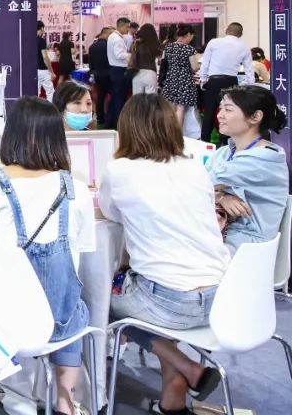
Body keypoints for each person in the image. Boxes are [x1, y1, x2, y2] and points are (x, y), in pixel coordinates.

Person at [0, 98, 95, 415]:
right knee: (74, 306)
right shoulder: (76, 190)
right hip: (56, 325)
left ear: (10, 135)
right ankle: (66, 400)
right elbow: (82, 255)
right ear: (58, 137)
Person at [100, 95, 229, 414]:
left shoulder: (120, 170)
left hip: (169, 302)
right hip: (222, 300)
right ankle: (173, 397)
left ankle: (186, 367)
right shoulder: (195, 167)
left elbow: (110, 213)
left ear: (127, 128)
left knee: (101, 302)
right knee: (149, 289)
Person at [208, 86, 289, 253]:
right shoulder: (225, 151)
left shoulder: (264, 159)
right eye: (221, 108)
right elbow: (198, 183)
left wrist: (216, 195)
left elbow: (196, 184)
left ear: (255, 117)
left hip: (246, 246)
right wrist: (222, 197)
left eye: (228, 110)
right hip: (220, 233)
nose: (220, 115)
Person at [199, 22, 254, 144]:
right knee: (228, 112)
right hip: (232, 82)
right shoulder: (244, 47)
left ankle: (204, 141)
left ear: (226, 30)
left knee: (209, 112)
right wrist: (250, 87)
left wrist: (203, 80)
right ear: (240, 34)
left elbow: (205, 63)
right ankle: (225, 142)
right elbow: (249, 70)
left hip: (214, 81)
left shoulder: (214, 42)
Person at [160, 24, 199, 131]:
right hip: (184, 81)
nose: (191, 39)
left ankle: (168, 132)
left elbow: (163, 63)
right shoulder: (189, 49)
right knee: (180, 109)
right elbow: (194, 67)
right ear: (188, 34)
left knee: (170, 109)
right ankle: (177, 134)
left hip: (170, 80)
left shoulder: (168, 47)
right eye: (192, 36)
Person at [106, 17, 131, 128]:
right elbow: (119, 54)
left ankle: (110, 122)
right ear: (121, 26)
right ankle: (118, 124)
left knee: (114, 98)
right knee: (119, 98)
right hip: (119, 71)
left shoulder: (113, 36)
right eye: (127, 27)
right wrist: (131, 56)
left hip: (114, 70)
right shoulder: (117, 38)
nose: (128, 29)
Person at [88, 27, 112, 125]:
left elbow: (91, 63)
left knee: (100, 96)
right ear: (105, 34)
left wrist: (93, 72)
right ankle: (109, 116)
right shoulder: (109, 46)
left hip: (97, 75)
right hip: (109, 74)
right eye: (110, 34)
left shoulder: (92, 47)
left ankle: (100, 118)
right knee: (112, 96)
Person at [130, 24, 161, 95]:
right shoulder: (155, 44)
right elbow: (159, 60)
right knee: (151, 99)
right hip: (151, 73)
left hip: (137, 72)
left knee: (137, 99)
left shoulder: (135, 43)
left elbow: (130, 56)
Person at [37, 21, 54, 100]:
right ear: (41, 28)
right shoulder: (41, 40)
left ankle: (34, 108)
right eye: (43, 29)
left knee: (36, 93)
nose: (44, 31)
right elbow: (45, 57)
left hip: (34, 70)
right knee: (50, 92)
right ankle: (50, 108)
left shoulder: (29, 40)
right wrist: (52, 72)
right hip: (43, 70)